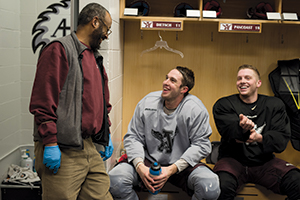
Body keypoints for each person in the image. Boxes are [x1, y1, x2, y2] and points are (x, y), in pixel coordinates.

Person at [29, 3, 114, 200]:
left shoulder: (95, 58)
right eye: (106, 29)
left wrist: (105, 132)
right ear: (95, 22)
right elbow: (42, 102)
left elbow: (103, 103)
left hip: (88, 146)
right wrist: (50, 143)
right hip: (62, 149)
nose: (107, 35)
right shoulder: (59, 50)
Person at [109, 66, 220, 200]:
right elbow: (133, 137)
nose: (166, 82)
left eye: (172, 80)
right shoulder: (147, 102)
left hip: (182, 165)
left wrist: (172, 169)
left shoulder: (195, 109)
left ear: (184, 89)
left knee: (210, 187)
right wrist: (140, 167)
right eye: (166, 78)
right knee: (115, 181)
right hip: (148, 161)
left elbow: (201, 145)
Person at [212, 64, 300, 200]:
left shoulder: (274, 105)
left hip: (264, 162)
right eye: (239, 78)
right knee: (219, 187)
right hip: (233, 160)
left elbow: (280, 140)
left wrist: (258, 137)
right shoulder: (224, 104)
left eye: (248, 78)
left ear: (258, 83)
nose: (242, 81)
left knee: (297, 181)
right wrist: (243, 129)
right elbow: (229, 132)